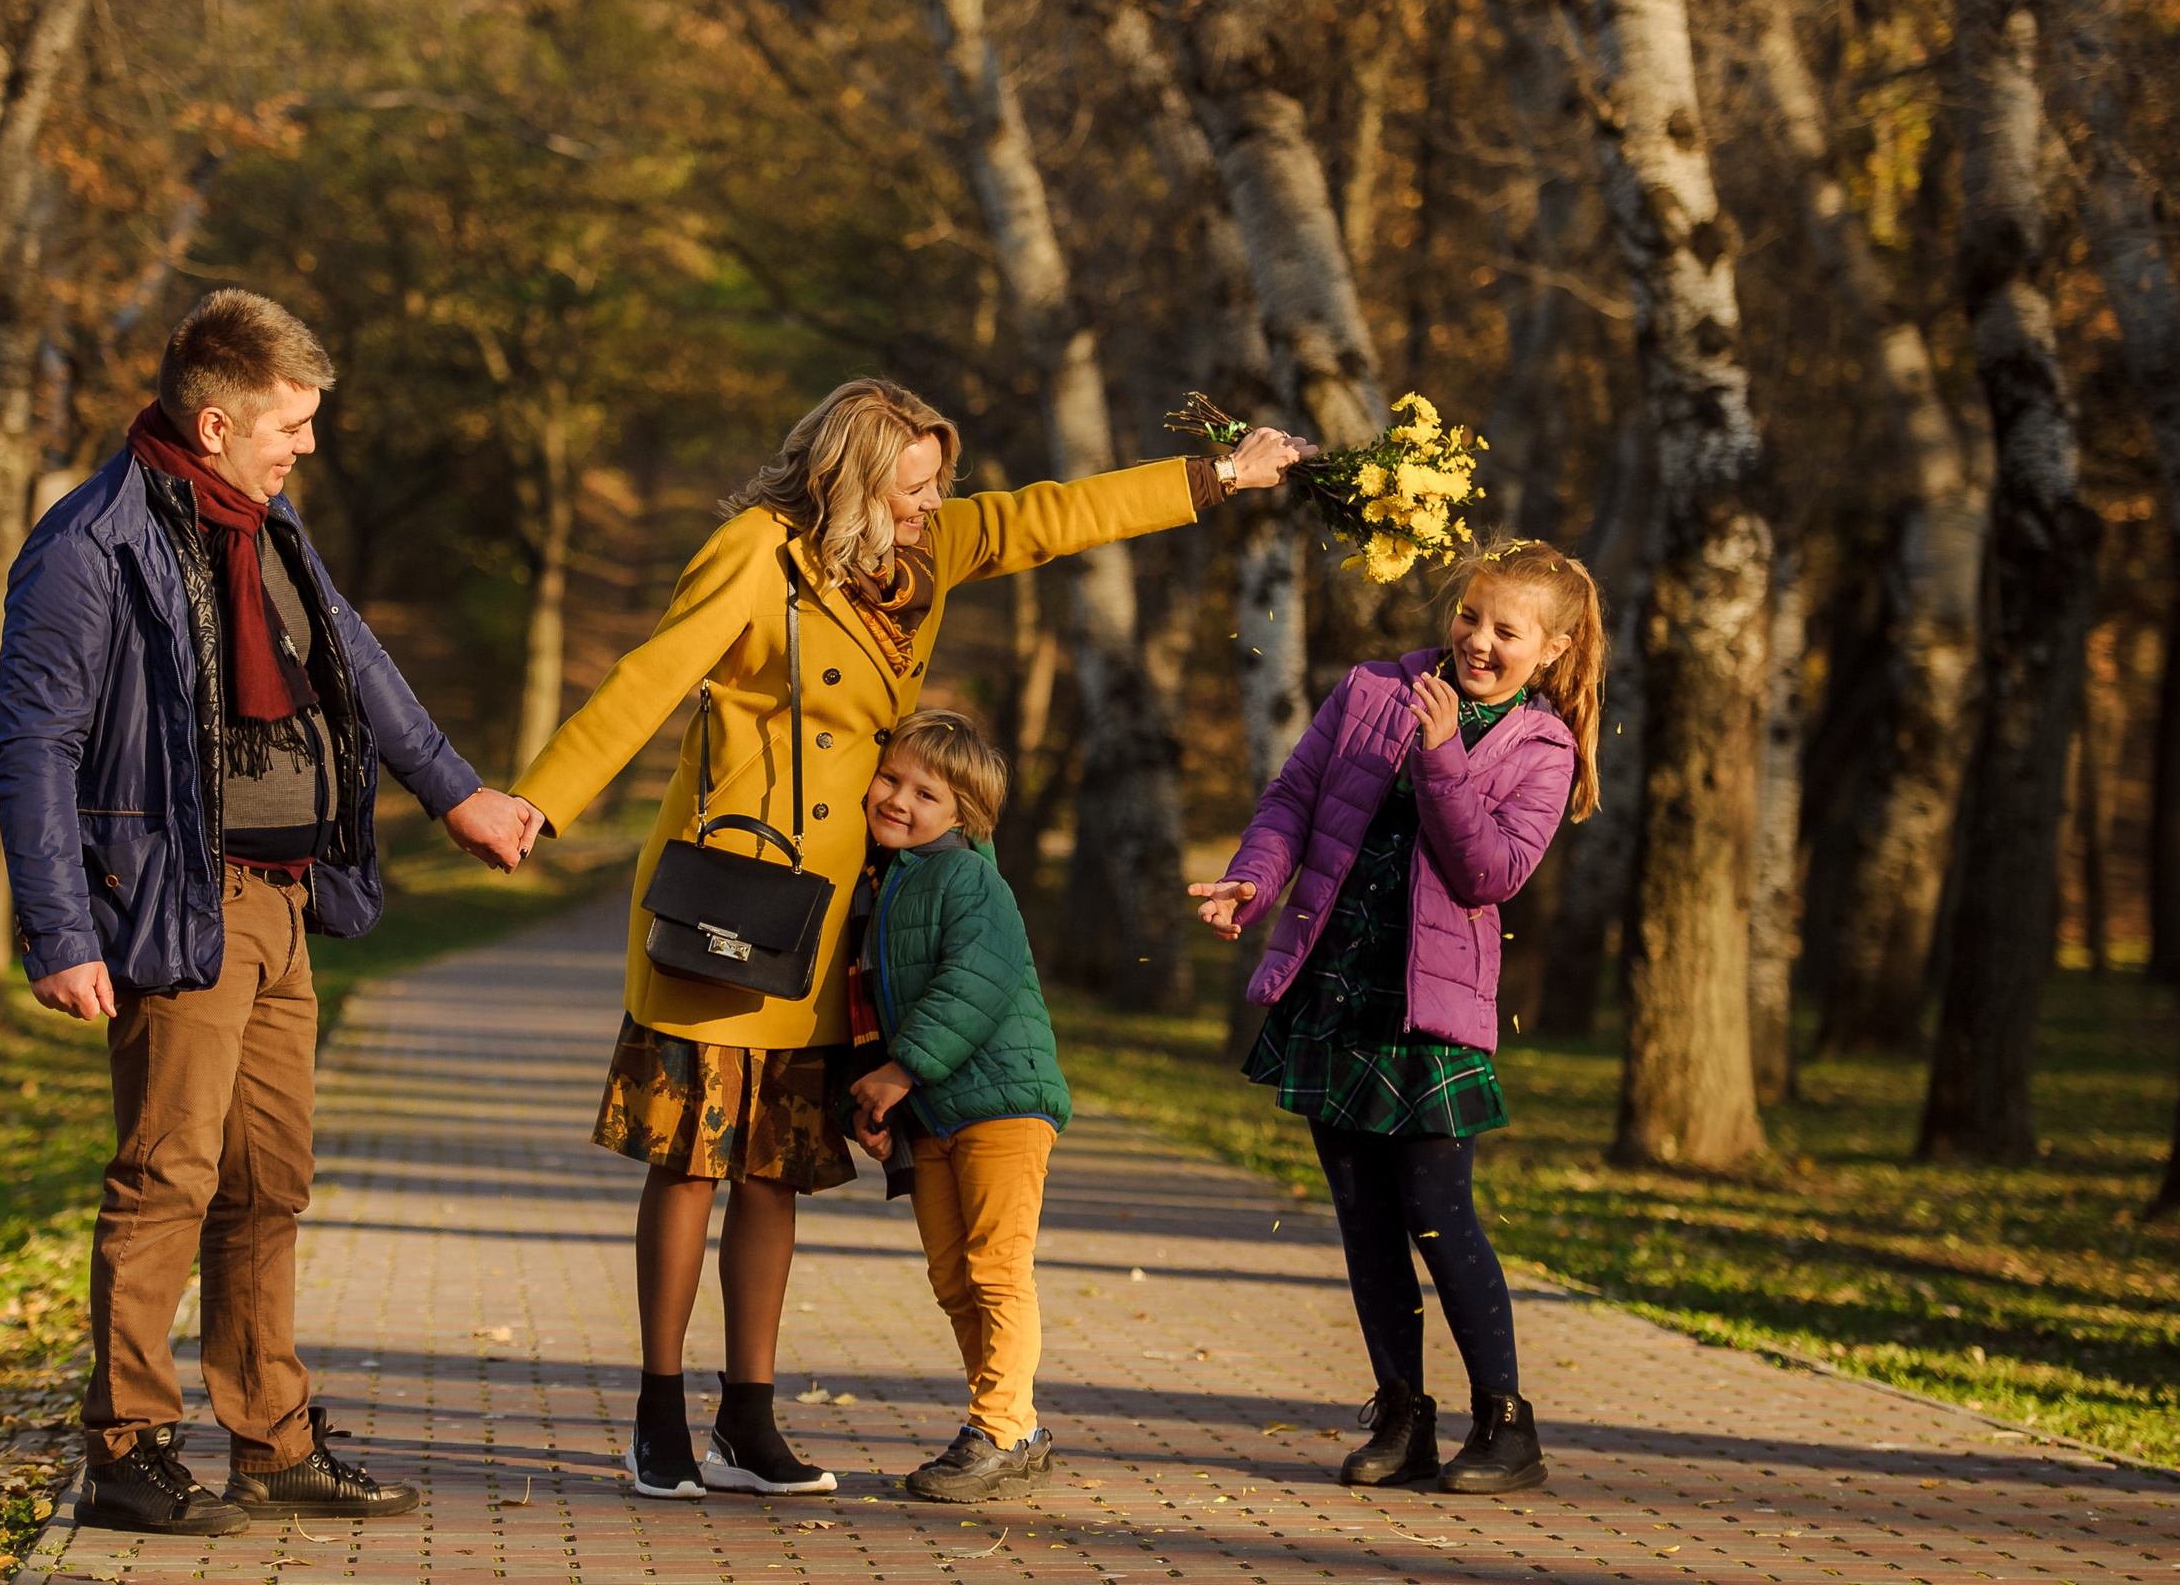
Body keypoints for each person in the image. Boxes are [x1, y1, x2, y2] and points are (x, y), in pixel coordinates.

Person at [508, 378, 1312, 1497]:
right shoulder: (756, 552)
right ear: (849, 484)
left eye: (939, 484)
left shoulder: (923, 561)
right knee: (690, 1159)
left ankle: (748, 1417)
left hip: (834, 912)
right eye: (914, 487)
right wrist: (540, 803)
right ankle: (657, 1416)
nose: (934, 504)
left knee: (776, 1172)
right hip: (726, 900)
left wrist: (1221, 474)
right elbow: (649, 677)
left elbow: (1054, 514)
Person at [0, 290, 536, 1536]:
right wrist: (61, 932)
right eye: (291, 423)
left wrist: (459, 795)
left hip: (283, 900)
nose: (305, 444)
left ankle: (271, 1440)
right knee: (167, 1173)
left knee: (268, 1181)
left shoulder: (268, 523)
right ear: (220, 416)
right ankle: (127, 1448)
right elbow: (33, 745)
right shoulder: (91, 545)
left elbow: (358, 665)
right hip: (179, 899)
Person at [1188, 539, 1607, 1497]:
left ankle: (1505, 1424)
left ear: (1552, 649)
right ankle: (1402, 1413)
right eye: (1471, 617)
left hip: (1431, 1010)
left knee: (1437, 1211)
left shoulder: (1542, 747)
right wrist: (1251, 882)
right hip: (1336, 985)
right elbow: (1294, 798)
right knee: (1362, 1214)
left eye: (1509, 632)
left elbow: (1487, 873)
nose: (1480, 642)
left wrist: (1444, 754)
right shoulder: (1376, 686)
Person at [838, 710, 1069, 1503]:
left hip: (1002, 1102)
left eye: (925, 792)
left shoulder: (970, 878)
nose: (898, 799)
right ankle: (1021, 1426)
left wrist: (900, 1073)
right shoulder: (887, 880)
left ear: (962, 816)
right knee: (953, 1278)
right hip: (934, 1110)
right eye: (891, 778)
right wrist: (879, 1098)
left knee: (996, 1268)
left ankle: (995, 1425)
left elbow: (972, 986)